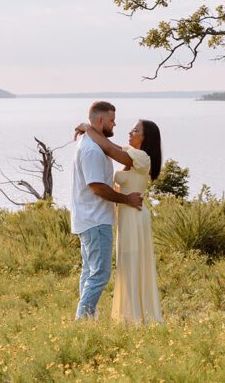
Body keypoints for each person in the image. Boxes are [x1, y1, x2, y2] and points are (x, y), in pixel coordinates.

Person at [75, 117, 164, 324]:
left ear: (145, 137)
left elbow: (106, 146)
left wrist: (88, 128)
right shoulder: (130, 154)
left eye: (135, 131)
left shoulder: (141, 158)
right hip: (125, 215)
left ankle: (135, 316)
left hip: (134, 214)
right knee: (125, 265)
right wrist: (87, 131)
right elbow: (109, 146)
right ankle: (128, 314)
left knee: (132, 263)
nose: (130, 133)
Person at [71, 101, 143, 320]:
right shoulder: (92, 150)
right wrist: (125, 199)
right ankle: (82, 320)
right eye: (111, 120)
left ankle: (86, 320)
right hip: (95, 220)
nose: (115, 124)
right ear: (100, 120)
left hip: (87, 218)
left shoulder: (91, 142)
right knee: (100, 275)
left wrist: (88, 127)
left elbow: (113, 149)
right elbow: (97, 187)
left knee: (89, 272)